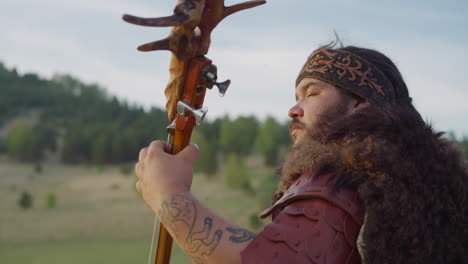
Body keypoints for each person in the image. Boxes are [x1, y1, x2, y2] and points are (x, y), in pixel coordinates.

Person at [135, 45, 467, 264]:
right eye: (297, 95)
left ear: (359, 105)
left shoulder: (345, 176)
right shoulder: (413, 185)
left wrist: (170, 196)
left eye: (312, 93)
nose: (293, 110)